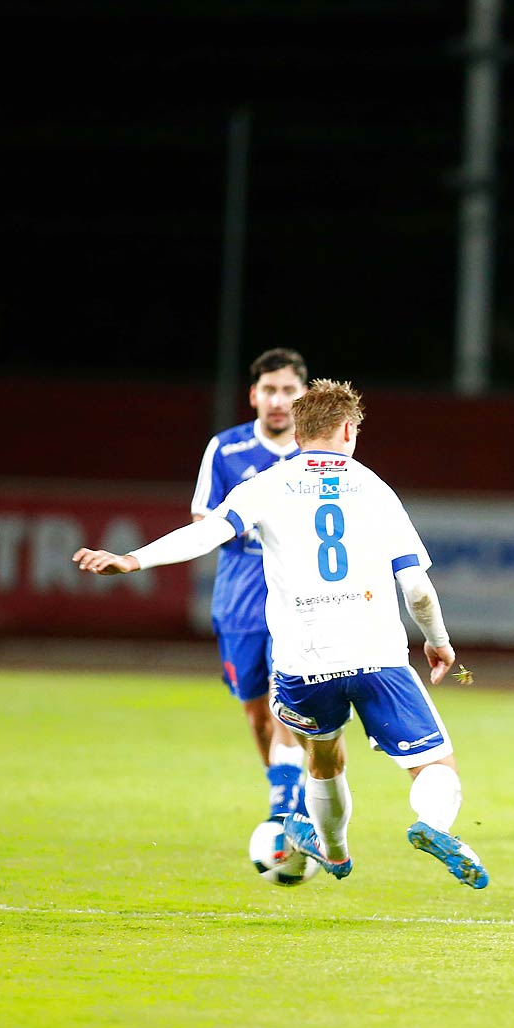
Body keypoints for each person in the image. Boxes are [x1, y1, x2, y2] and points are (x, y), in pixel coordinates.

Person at [75, 380, 486, 889]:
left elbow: (207, 533)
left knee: (322, 757)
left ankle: (334, 851)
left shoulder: (267, 484)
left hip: (301, 663)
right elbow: (417, 588)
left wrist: (133, 559)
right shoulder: (377, 490)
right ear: (347, 429)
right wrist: (438, 642)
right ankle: (434, 825)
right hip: (376, 653)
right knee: (432, 764)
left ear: (298, 431)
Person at [192, 348, 308, 823]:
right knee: (257, 714)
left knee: (290, 707)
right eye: (269, 390)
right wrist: (233, 523)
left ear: (303, 396)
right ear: (253, 395)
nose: (278, 400)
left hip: (299, 597)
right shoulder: (226, 449)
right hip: (240, 597)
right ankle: (283, 793)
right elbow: (201, 516)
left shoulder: (316, 454)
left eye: (288, 391)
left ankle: (287, 812)